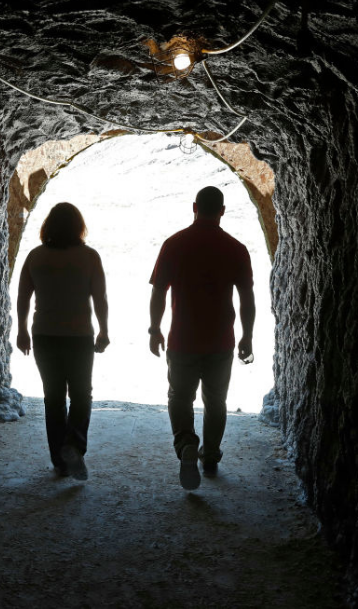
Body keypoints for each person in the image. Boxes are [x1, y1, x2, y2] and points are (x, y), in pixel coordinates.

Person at [148, 186, 255, 490]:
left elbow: (158, 291)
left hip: (182, 339)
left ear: (194, 207)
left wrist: (154, 328)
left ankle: (185, 445)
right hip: (221, 340)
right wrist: (247, 335)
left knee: (179, 397)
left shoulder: (174, 244)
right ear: (222, 210)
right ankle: (209, 457)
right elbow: (247, 297)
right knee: (216, 401)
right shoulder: (236, 249)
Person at [16, 202, 109, 480]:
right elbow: (100, 298)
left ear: (49, 227)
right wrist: (104, 330)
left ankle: (59, 459)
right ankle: (74, 445)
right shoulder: (90, 257)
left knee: (53, 397)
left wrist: (21, 331)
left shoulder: (35, 256)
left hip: (44, 334)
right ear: (78, 227)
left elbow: (23, 297)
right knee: (81, 394)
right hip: (79, 335)